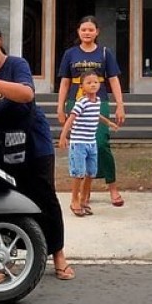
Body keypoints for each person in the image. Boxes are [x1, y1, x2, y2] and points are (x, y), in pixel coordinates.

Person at [0, 19, 74, 280]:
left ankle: (58, 253)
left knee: (44, 196)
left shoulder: (17, 65)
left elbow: (26, 94)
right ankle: (5, 259)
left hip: (33, 143)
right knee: (2, 200)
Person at [56, 17, 127, 207]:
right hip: (76, 100)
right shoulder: (70, 54)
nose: (87, 33)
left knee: (101, 143)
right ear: (78, 32)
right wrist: (60, 107)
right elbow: (64, 82)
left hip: (99, 101)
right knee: (80, 147)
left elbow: (113, 80)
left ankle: (112, 188)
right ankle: (82, 195)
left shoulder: (105, 53)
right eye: (83, 30)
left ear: (97, 32)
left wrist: (120, 104)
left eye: (90, 30)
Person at [59, 71, 117, 216]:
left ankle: (84, 200)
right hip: (79, 143)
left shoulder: (97, 101)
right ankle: (74, 200)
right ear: (82, 87)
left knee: (91, 173)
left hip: (91, 143)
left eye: (95, 82)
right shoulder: (81, 102)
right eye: (89, 82)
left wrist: (108, 122)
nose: (93, 85)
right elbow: (71, 119)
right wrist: (63, 136)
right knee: (78, 173)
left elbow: (96, 114)